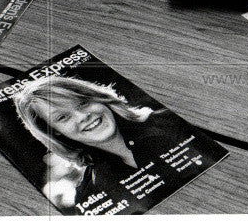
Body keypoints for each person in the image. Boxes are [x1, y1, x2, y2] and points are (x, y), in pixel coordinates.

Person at [13, 75, 197, 212]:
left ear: (96, 97)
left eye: (82, 102)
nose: (83, 116)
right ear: (54, 133)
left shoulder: (170, 122)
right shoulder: (90, 194)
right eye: (62, 117)